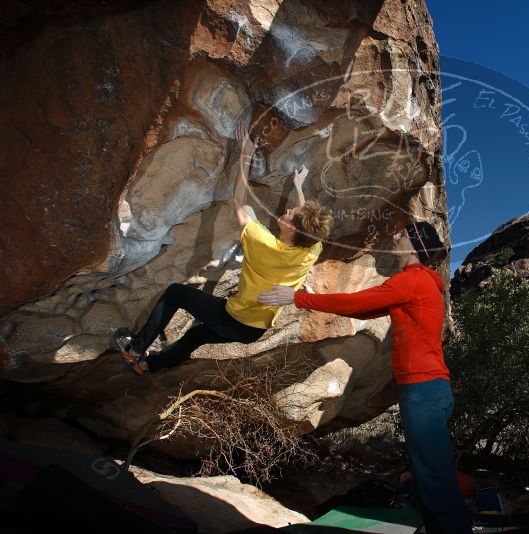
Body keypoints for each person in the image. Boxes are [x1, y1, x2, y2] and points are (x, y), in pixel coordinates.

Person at [259, 221, 472, 533]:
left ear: (413, 246)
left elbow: (358, 302)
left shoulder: (412, 280)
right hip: (430, 389)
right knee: (428, 474)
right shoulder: (419, 283)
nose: (395, 235)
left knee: (434, 480)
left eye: (402, 234)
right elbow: (365, 311)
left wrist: (297, 298)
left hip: (423, 391)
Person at [112, 123, 334, 374]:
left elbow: (240, 199)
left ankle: (134, 349)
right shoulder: (311, 250)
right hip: (254, 330)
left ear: (293, 229)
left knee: (175, 293)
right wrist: (298, 187)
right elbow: (307, 228)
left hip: (233, 318)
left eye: (291, 214)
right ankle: (148, 366)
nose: (288, 210)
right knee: (196, 337)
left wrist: (246, 154)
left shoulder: (263, 242)